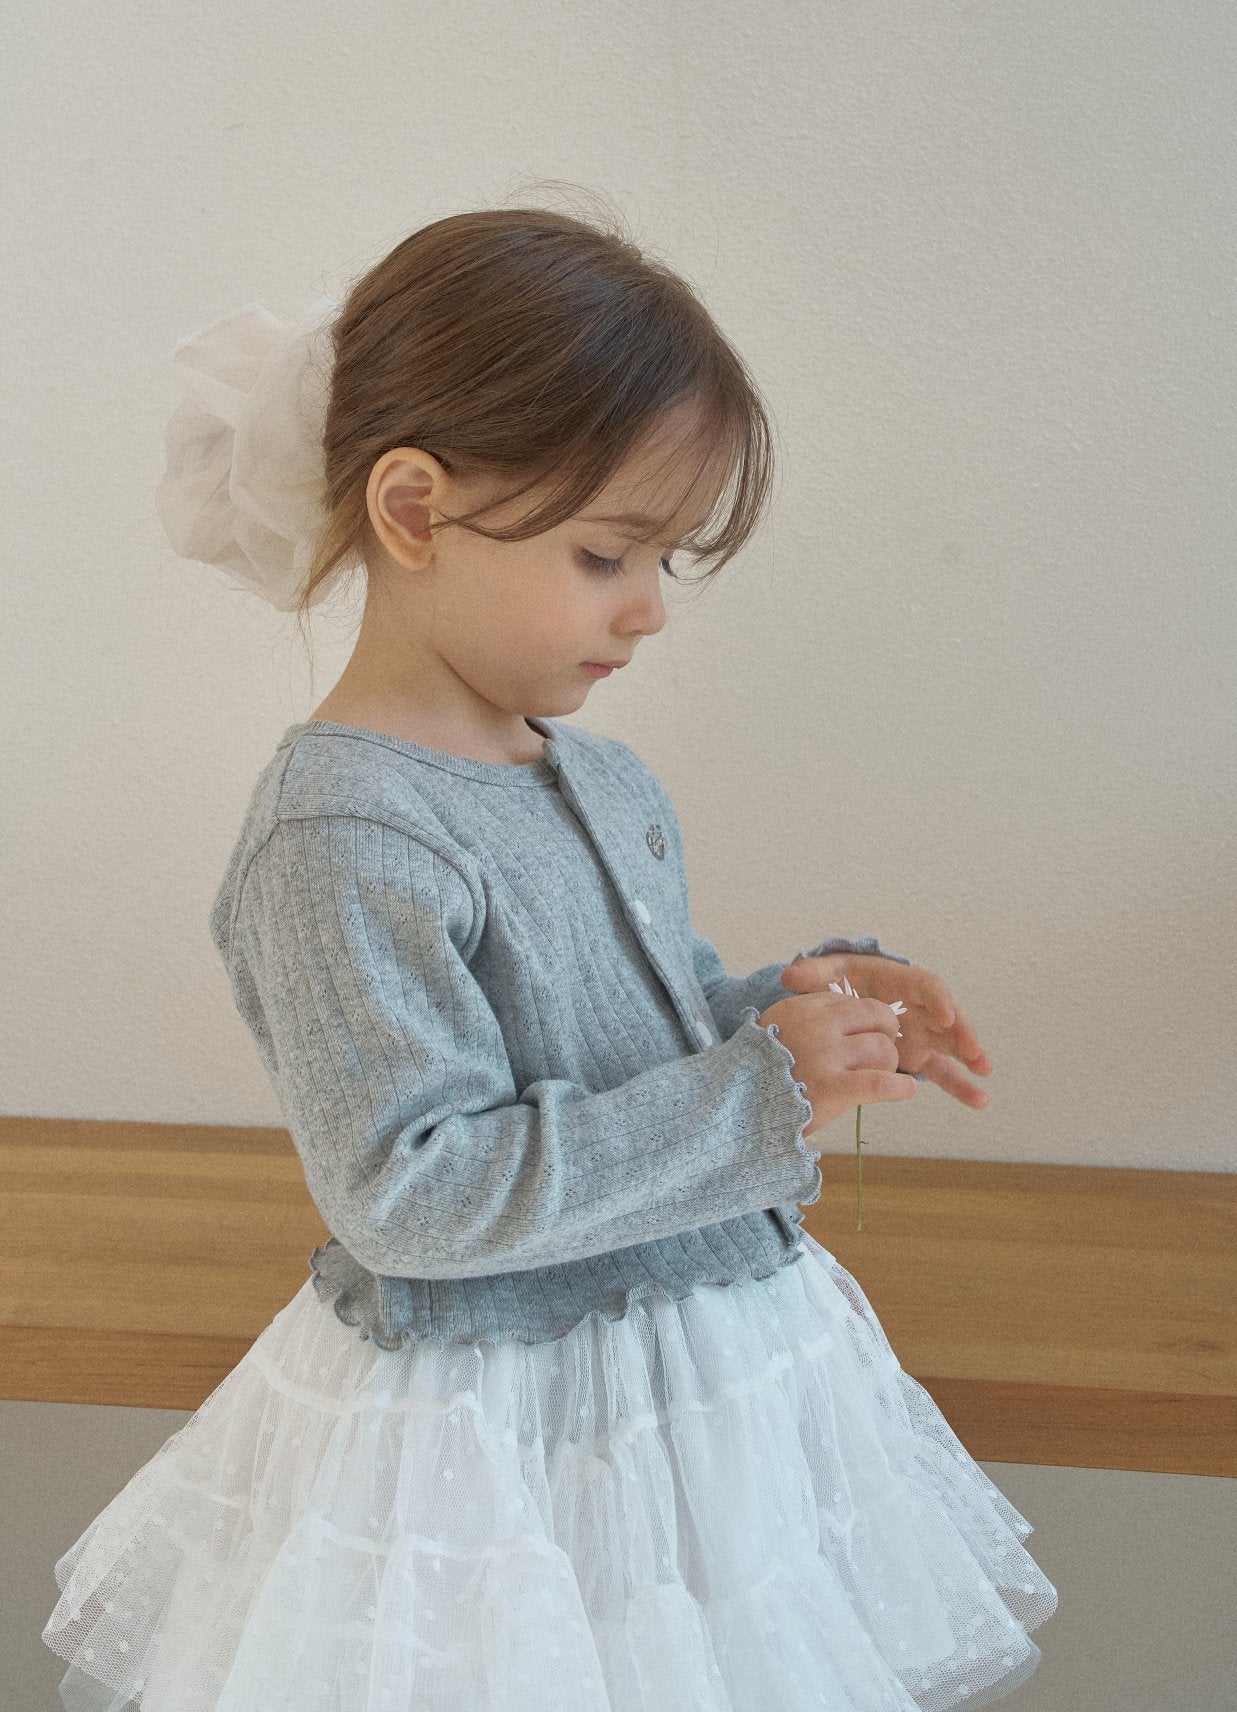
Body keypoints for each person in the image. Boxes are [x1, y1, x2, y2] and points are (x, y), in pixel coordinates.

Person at [43, 203, 1057, 1710]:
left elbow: (630, 1033)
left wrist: (794, 1012)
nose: (648, 611)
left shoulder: (591, 773)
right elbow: (410, 1191)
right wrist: (760, 1091)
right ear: (413, 511)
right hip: (501, 1433)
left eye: (664, 559)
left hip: (690, 1394)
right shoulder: (345, 836)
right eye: (606, 554)